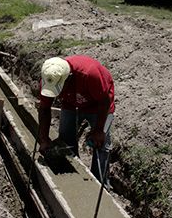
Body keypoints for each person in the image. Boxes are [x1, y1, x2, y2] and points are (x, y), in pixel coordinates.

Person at [38, 56, 115, 186]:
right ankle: (73, 176)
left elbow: (104, 101)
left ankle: (100, 183)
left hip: (98, 105)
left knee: (101, 144)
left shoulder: (90, 74)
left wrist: (98, 130)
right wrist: (44, 139)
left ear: (69, 78)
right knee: (66, 140)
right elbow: (44, 109)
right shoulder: (48, 79)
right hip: (71, 103)